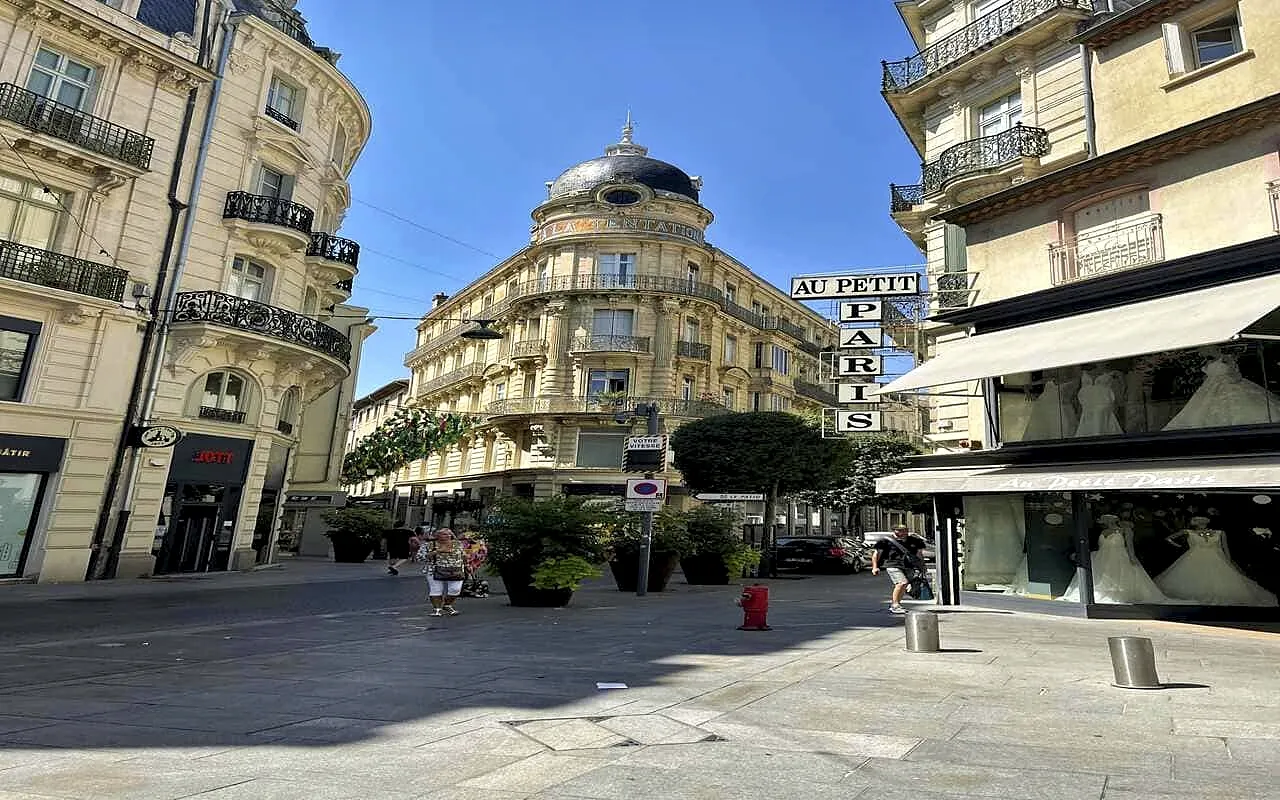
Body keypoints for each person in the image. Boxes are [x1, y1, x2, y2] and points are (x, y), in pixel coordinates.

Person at [871, 524, 929, 614]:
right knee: (902, 583)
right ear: (894, 531)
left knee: (906, 584)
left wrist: (923, 566)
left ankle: (898, 602)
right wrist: (875, 567)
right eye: (900, 530)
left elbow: (919, 554)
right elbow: (876, 554)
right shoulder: (885, 541)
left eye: (905, 530)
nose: (903, 532)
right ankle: (895, 605)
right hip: (892, 565)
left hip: (909, 566)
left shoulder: (915, 541)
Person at [423, 528, 466, 616]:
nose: (447, 536)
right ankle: (437, 609)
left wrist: (467, 562)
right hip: (434, 570)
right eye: (444, 534)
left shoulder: (458, 544)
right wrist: (437, 552)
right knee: (436, 590)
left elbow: (463, 555)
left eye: (449, 534)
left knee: (455, 589)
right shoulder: (429, 545)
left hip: (456, 570)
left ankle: (447, 605)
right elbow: (420, 557)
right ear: (437, 536)